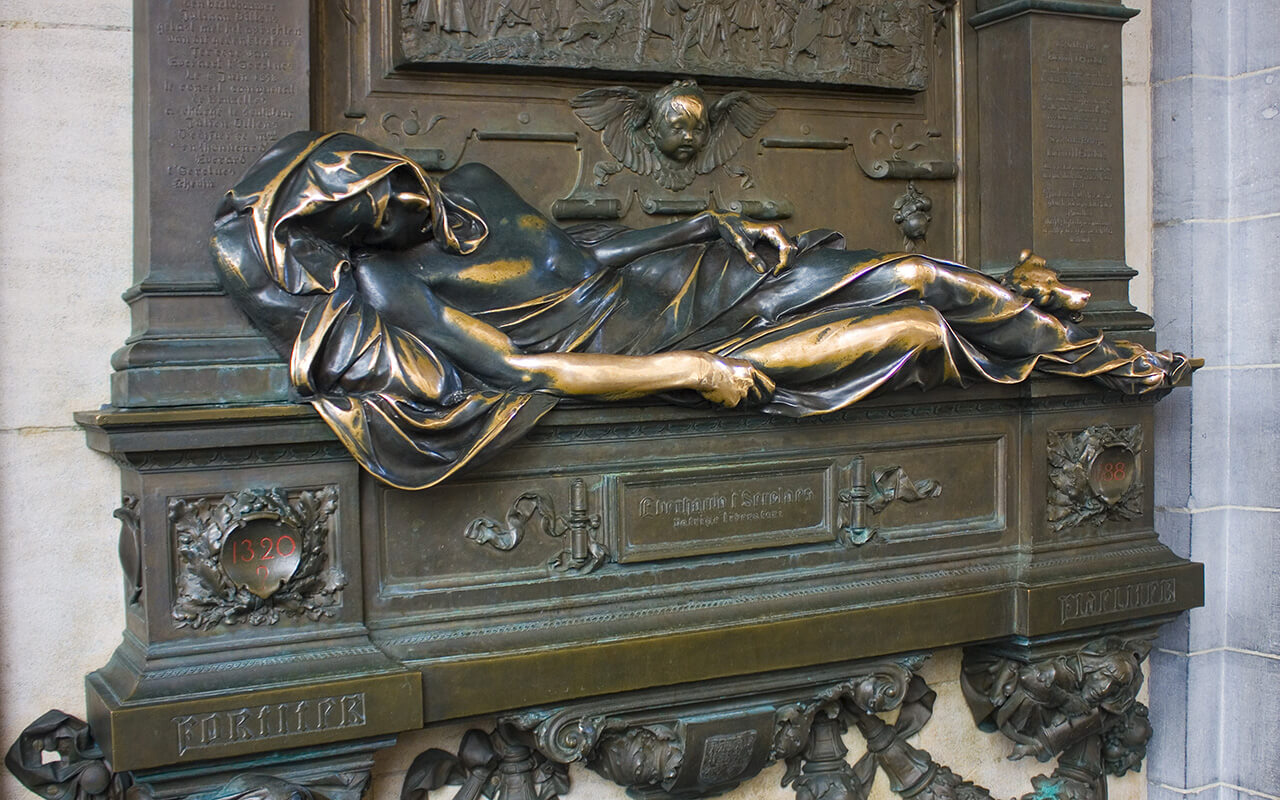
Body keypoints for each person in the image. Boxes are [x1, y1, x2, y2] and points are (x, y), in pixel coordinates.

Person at [212, 131, 1188, 489]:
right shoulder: (389, 283)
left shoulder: (471, 179)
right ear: (345, 235)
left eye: (390, 189)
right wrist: (679, 373)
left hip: (677, 283)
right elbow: (525, 370)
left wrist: (702, 222)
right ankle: (1046, 322)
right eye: (373, 216)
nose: (398, 208)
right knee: (913, 322)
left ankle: (1100, 360)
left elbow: (580, 250)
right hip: (642, 345)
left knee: (919, 271)